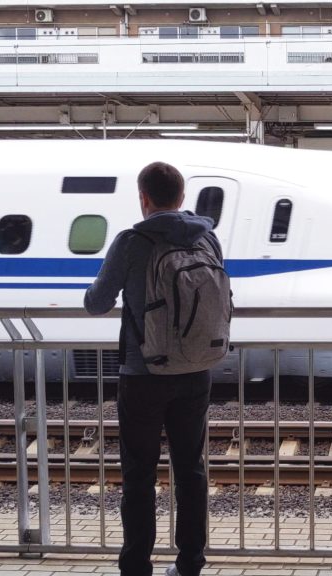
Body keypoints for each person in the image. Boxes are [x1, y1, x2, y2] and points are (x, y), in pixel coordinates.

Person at [85, 162, 223, 576]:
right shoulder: (207, 237)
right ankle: (190, 564)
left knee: (139, 475)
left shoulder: (132, 241)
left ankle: (135, 567)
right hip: (197, 370)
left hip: (143, 375)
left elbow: (97, 302)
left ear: (143, 198)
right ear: (182, 198)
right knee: (191, 470)